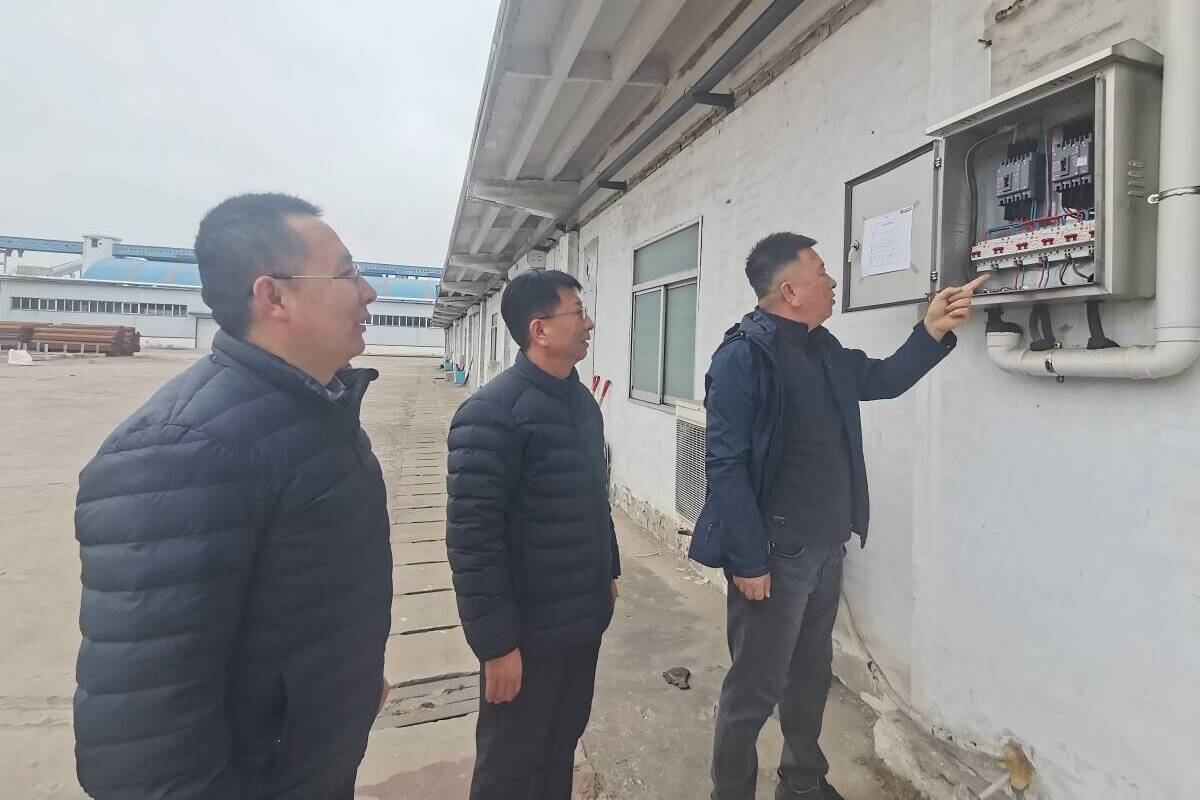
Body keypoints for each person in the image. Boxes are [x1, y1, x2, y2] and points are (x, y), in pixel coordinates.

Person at [74, 193, 392, 799]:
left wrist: (349, 683)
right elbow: (144, 733)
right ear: (272, 296)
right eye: (348, 274)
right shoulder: (179, 450)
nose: (368, 292)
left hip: (311, 760)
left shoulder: (317, 408)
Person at [689, 232, 985, 800]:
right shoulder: (743, 358)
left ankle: (802, 783)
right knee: (753, 691)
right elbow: (725, 465)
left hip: (825, 548)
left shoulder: (821, 348)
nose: (831, 282)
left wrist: (931, 329)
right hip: (774, 556)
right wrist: (748, 561)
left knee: (808, 678)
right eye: (822, 272)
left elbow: (884, 379)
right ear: (790, 291)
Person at [446, 269, 620, 800]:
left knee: (558, 750)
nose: (589, 324)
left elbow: (592, 497)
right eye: (577, 313)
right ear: (539, 329)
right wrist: (497, 646)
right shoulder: (491, 414)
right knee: (509, 767)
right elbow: (473, 542)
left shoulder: (579, 401)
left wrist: (608, 570)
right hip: (527, 634)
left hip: (580, 621)